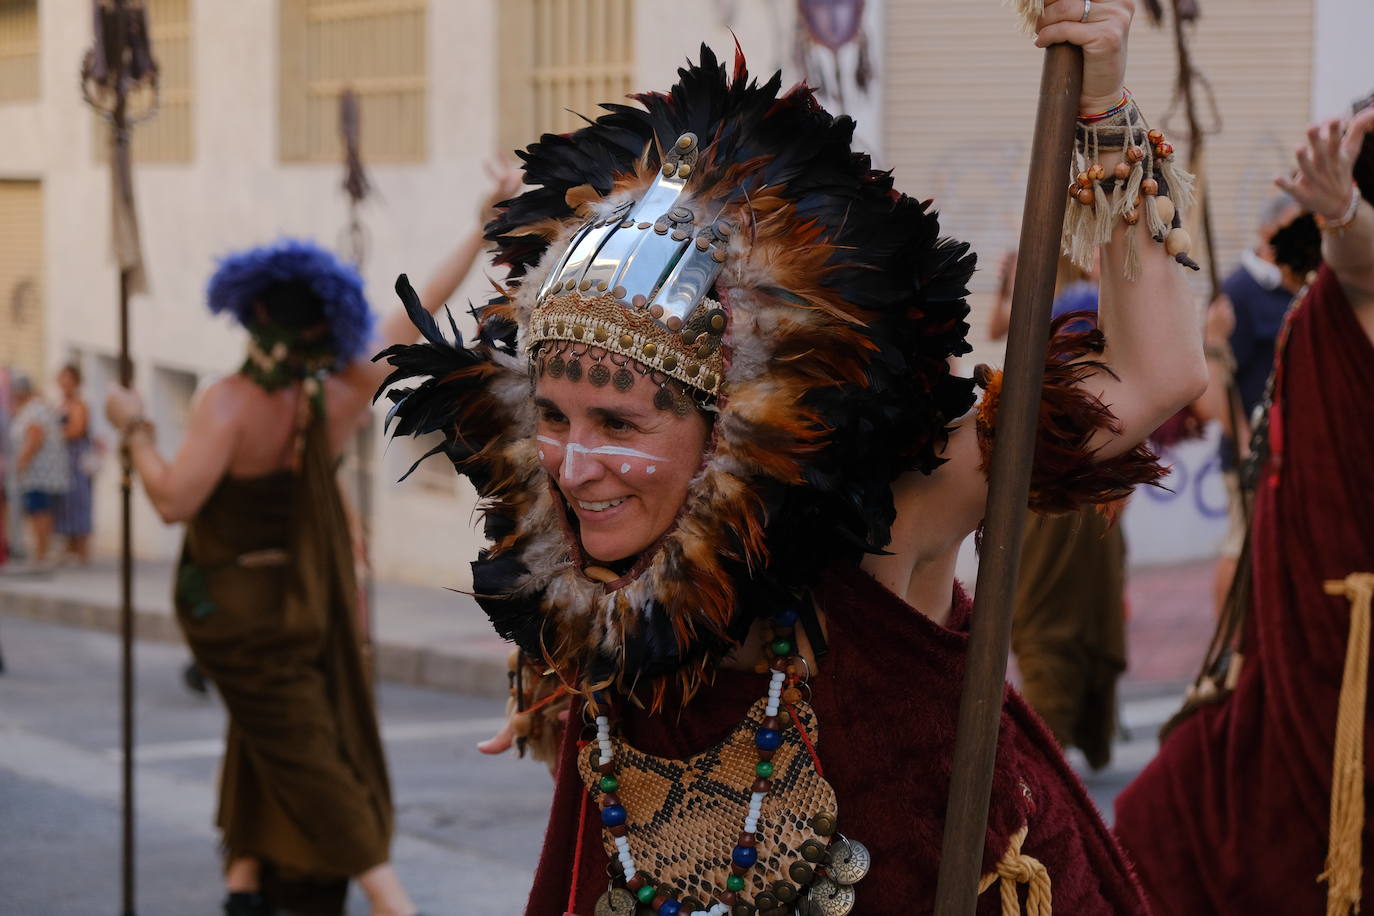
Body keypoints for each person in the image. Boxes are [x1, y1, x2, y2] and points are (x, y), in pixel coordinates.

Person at [379, 5, 1205, 913]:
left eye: (620, 424)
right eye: (553, 416)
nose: (573, 468)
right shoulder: (575, 559)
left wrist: (1104, 104)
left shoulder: (885, 522)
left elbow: (1152, 376)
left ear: (731, 422)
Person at [104, 165, 517, 916]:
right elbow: (417, 309)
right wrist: (481, 225)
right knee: (272, 726)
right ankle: (248, 877)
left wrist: (132, 425)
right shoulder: (340, 393)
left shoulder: (227, 405)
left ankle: (390, 898)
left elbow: (172, 501)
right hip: (307, 596)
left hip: (236, 612)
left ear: (253, 314)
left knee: (300, 745)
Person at [1114, 100, 1374, 915]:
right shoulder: (1306, 295)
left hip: (1345, 638)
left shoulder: (1351, 278)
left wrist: (1346, 214)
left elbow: (1361, 259)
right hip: (1289, 609)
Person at [988, 254, 1129, 770]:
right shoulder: (1072, 305)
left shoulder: (1088, 303)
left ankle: (1047, 770)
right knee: (1051, 629)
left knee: (1059, 627)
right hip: (1059, 478)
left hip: (1075, 478)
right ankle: (1045, 772)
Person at [1194, 194, 1303, 614]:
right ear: (1267, 232)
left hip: (1291, 450)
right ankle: (1228, 653)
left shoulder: (1301, 284)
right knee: (1243, 544)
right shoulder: (1238, 291)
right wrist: (1242, 441)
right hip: (1251, 451)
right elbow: (1213, 384)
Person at [7, 373, 70, 572]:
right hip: (41, 473)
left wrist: (20, 462)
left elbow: (35, 439)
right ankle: (42, 552)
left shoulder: (34, 410)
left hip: (39, 473)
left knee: (38, 511)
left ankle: (41, 553)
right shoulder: (36, 407)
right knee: (40, 511)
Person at [52, 363, 96, 565]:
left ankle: (82, 551)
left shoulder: (80, 405)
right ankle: (69, 549)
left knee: (79, 502)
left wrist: (54, 434)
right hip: (62, 460)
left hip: (76, 460)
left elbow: (76, 430)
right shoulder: (61, 404)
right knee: (65, 504)